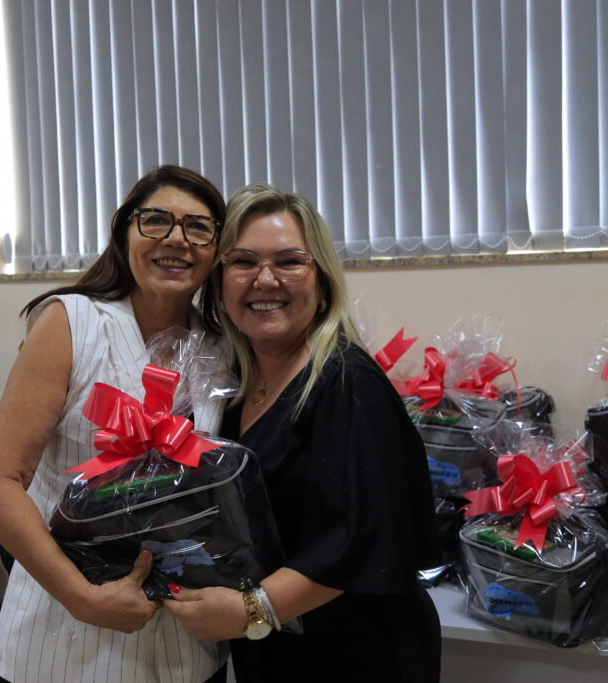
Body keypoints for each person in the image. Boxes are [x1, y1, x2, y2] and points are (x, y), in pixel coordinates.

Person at [164, 184, 443, 682]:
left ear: (323, 282)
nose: (265, 279)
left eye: (290, 261)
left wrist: (251, 610)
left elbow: (359, 539)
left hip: (358, 654)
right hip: (273, 649)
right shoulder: (230, 386)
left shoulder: (347, 382)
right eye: (243, 262)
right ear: (220, 283)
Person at [0, 165, 229, 682]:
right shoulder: (72, 322)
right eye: (155, 220)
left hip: (182, 646)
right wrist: (82, 598)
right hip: (60, 638)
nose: (176, 239)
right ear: (123, 230)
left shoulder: (222, 349)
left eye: (198, 227)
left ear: (217, 248)